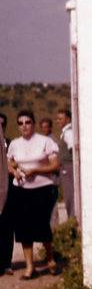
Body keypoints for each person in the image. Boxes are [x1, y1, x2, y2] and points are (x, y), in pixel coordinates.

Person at [6, 110, 60, 278]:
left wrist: (36, 169)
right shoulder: (15, 143)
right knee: (23, 228)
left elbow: (55, 165)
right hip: (20, 189)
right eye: (21, 123)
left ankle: (50, 258)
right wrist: (14, 172)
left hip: (43, 189)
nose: (24, 126)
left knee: (42, 225)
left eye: (27, 122)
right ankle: (30, 267)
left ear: (33, 124)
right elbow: (9, 162)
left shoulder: (45, 141)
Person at [56, 108, 75, 220]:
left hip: (68, 168)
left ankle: (72, 220)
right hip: (65, 168)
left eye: (60, 119)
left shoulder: (68, 133)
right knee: (68, 196)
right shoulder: (65, 132)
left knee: (70, 196)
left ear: (67, 119)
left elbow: (72, 149)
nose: (58, 121)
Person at [0, 114, 12, 275]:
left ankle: (7, 263)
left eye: (2, 124)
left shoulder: (10, 143)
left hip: (8, 189)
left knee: (7, 228)